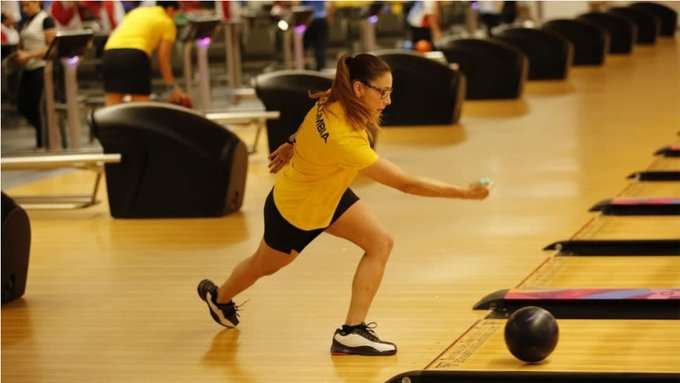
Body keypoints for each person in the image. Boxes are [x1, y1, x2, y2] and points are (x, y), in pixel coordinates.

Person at [197, 53, 490, 356]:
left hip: (330, 193)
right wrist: (465, 193)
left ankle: (351, 332)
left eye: (391, 92)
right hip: (297, 210)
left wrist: (291, 143)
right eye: (383, 92)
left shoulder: (334, 98)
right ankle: (218, 298)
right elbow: (406, 183)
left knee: (380, 243)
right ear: (360, 88)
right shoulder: (344, 140)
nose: (388, 101)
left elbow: (310, 122)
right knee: (262, 266)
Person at [101, 1, 189, 106]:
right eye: (176, 14)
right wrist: (172, 87)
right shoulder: (167, 22)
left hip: (110, 53)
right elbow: (163, 57)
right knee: (140, 107)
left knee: (112, 108)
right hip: (135, 55)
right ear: (170, 9)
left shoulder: (136, 12)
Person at [15, 1, 56, 149]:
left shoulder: (46, 20)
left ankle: (43, 140)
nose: (25, 9)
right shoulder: (26, 22)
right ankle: (43, 134)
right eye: (23, 6)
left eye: (27, 5)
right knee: (23, 105)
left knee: (37, 106)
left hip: (41, 68)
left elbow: (52, 48)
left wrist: (30, 55)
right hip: (28, 68)